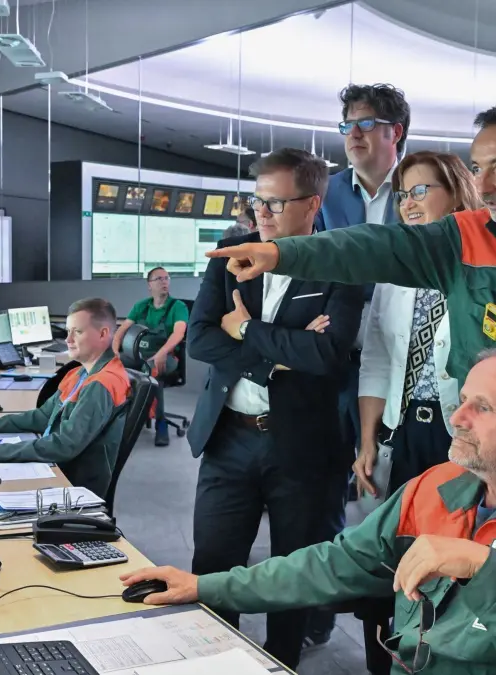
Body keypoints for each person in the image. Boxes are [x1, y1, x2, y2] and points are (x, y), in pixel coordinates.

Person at [122, 349, 496, 675]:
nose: (458, 417)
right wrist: (205, 586)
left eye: (484, 407)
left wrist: (484, 572)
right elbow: (329, 565)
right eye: (463, 399)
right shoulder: (439, 486)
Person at [206, 101, 496, 445]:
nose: (483, 185)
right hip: (491, 462)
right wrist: (285, 254)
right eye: (477, 168)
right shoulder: (465, 235)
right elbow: (375, 246)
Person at [185, 147, 363, 669]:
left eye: (275, 204)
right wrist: (276, 356)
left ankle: (281, 660)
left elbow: (327, 355)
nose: (260, 215)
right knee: (214, 563)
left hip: (303, 445)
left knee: (293, 569)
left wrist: (246, 330)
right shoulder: (230, 255)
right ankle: (216, 658)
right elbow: (199, 339)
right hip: (229, 438)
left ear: (312, 204)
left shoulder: (340, 266)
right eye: (256, 202)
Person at [307, 83, 411, 649]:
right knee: (329, 486)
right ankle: (326, 611)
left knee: (389, 488)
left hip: (401, 360)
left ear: (395, 132)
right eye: (346, 123)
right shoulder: (329, 193)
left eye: (366, 123)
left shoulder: (421, 187)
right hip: (337, 360)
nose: (352, 133)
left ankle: (395, 619)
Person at [356, 151, 483, 500]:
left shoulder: (484, 268)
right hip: (405, 427)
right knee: (403, 536)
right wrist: (367, 439)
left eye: (419, 191)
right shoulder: (395, 270)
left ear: (457, 193)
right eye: (403, 195)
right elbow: (377, 359)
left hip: (464, 428)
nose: (408, 203)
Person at [0, 298, 130, 497]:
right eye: (67, 331)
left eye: (77, 332)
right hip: (57, 467)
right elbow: (41, 417)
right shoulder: (80, 373)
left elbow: (64, 446)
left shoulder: (102, 384)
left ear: (103, 334)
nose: (68, 340)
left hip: (73, 484)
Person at [114, 267, 188, 446]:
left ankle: (160, 423)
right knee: (112, 367)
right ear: (149, 285)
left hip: (167, 357)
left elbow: (179, 334)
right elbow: (121, 331)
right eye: (159, 279)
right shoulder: (141, 306)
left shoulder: (178, 307)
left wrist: (161, 353)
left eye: (166, 278)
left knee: (152, 371)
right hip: (139, 355)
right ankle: (119, 419)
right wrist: (115, 351)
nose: (164, 282)